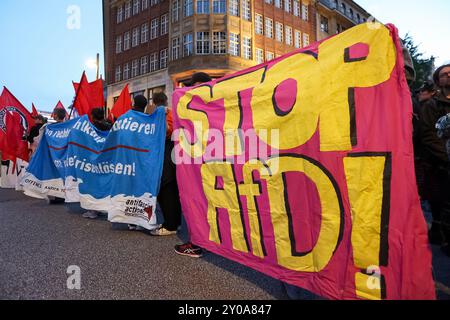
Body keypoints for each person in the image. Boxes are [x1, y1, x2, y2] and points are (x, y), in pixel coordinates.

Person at [174, 72, 212, 258]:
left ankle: (196, 243)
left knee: (198, 200)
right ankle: (200, 240)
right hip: (195, 160)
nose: (191, 90)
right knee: (196, 200)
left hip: (205, 161)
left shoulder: (204, 105)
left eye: (194, 86)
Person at [419, 64, 450, 255]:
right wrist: (446, 156)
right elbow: (428, 134)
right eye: (445, 74)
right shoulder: (432, 105)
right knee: (439, 202)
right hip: (439, 164)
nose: (449, 76)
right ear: (439, 80)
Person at [150, 92, 182, 236]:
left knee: (165, 190)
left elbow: (160, 133)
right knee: (174, 190)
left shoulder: (156, 115)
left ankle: (170, 225)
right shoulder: (173, 113)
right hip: (176, 154)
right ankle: (177, 222)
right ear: (166, 100)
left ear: (154, 102)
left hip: (163, 154)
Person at [82, 108, 113, 219]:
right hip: (108, 159)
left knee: (93, 184)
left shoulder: (90, 128)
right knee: (106, 183)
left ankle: (94, 210)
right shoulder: (111, 126)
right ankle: (108, 208)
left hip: (93, 159)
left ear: (93, 117)